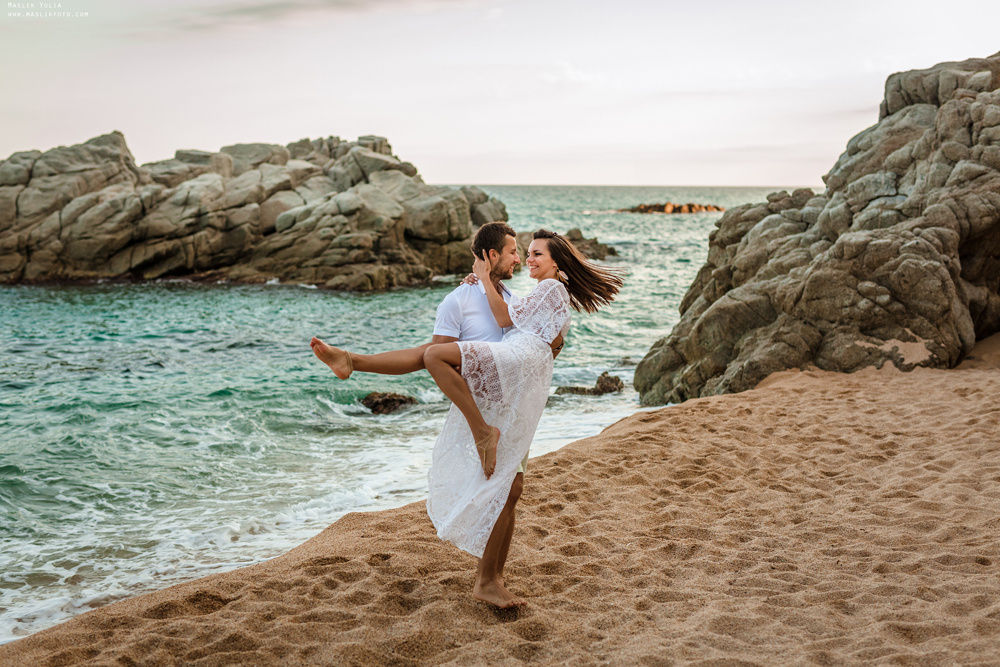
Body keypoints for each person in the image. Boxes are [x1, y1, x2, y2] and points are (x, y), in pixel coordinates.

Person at [313, 228, 623, 608]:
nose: (520, 259)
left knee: (512, 491)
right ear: (491, 255)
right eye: (514, 252)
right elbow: (428, 354)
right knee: (435, 357)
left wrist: (543, 335)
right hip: (491, 404)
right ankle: (489, 577)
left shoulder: (514, 294)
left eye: (528, 253)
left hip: (513, 400)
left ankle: (490, 579)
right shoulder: (459, 299)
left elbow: (534, 330)